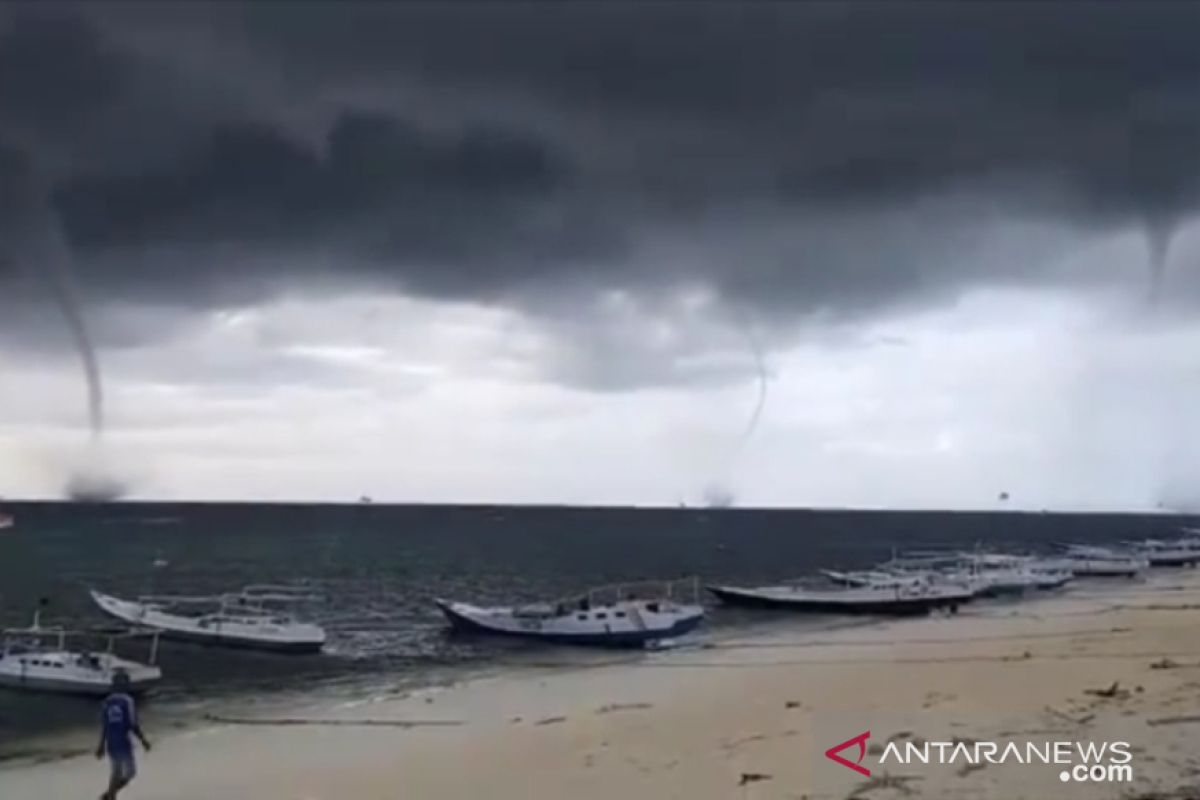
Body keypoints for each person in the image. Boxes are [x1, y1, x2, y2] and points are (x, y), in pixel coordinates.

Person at [95, 670, 151, 800]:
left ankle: (110, 795)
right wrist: (143, 740)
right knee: (130, 772)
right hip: (123, 741)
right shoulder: (128, 700)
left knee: (116, 772)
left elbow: (105, 725)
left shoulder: (107, 702)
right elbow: (132, 724)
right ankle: (109, 795)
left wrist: (101, 745)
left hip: (111, 741)